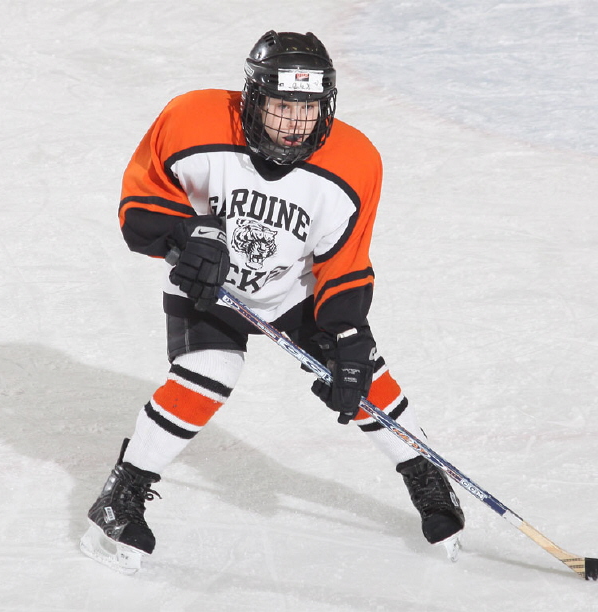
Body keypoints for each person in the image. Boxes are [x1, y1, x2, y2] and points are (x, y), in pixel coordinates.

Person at [79, 30, 464, 573]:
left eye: (307, 108)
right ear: (254, 98)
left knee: (360, 375)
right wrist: (188, 236)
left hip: (294, 288)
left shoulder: (354, 161)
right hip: (208, 284)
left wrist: (350, 336)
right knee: (209, 372)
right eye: (282, 104)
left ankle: (424, 472)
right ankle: (121, 495)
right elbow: (138, 208)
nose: (293, 123)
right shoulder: (193, 119)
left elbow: (346, 260)